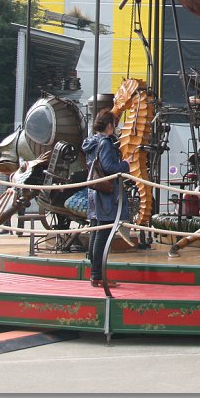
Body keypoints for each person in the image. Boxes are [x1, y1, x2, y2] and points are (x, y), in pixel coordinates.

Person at [82, 109, 130, 288]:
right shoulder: (106, 143)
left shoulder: (91, 142)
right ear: (109, 125)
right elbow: (109, 167)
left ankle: (95, 274)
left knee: (96, 232)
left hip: (94, 193)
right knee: (102, 235)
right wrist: (125, 164)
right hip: (106, 194)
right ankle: (98, 275)